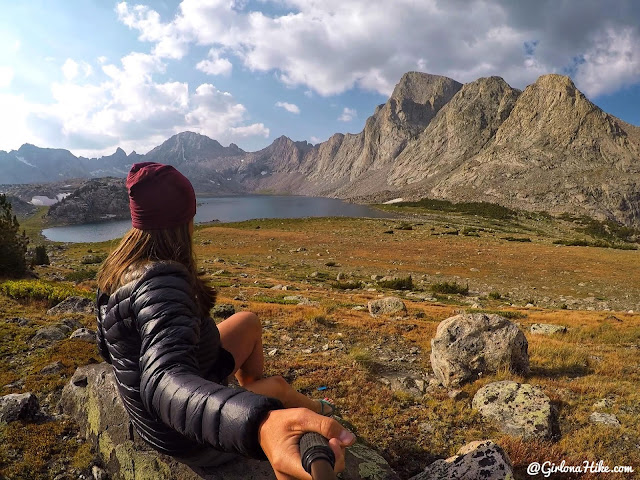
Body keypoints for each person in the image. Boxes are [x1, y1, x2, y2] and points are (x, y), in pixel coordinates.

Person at [96, 162, 355, 479]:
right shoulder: (161, 282)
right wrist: (258, 422)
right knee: (279, 388)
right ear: (184, 221)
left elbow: (109, 350)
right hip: (185, 431)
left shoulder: (120, 267)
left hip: (183, 388)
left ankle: (249, 387)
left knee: (247, 321)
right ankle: (315, 409)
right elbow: (163, 380)